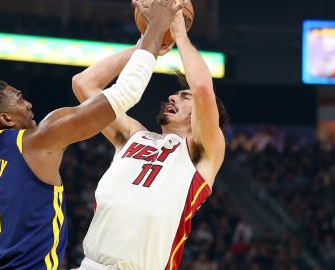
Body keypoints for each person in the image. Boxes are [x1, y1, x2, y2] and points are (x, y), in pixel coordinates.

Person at [0, 0, 183, 269]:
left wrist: (145, 44)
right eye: (19, 99)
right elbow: (125, 93)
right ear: (6, 119)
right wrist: (156, 27)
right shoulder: (36, 140)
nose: (28, 104)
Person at [71, 3, 229, 270]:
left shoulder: (202, 154)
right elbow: (84, 84)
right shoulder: (132, 135)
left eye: (183, 96)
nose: (172, 96)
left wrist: (179, 34)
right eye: (176, 93)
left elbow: (202, 87)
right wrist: (147, 43)